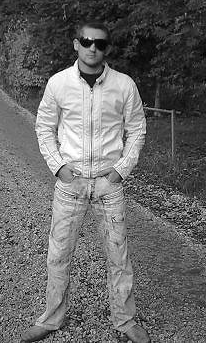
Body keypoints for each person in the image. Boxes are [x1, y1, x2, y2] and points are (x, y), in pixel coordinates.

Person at [21, 22, 150, 343]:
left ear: (107, 49)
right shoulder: (58, 84)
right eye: (87, 41)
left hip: (109, 185)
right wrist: (59, 167)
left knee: (118, 255)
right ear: (76, 44)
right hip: (71, 184)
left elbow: (137, 129)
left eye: (100, 43)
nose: (93, 47)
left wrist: (121, 170)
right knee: (58, 254)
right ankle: (51, 319)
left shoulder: (124, 85)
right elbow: (44, 127)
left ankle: (125, 320)